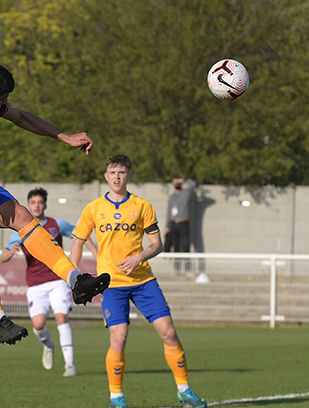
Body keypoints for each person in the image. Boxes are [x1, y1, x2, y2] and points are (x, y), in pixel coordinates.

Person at [0, 62, 110, 342]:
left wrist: (64, 136)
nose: (6, 105)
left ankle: (76, 281)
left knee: (21, 214)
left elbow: (22, 118)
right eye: (2, 100)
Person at [70, 155, 206, 408]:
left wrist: (139, 256)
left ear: (129, 175)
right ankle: (116, 398)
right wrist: (73, 278)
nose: (117, 176)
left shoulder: (142, 205)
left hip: (143, 280)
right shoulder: (94, 208)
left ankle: (184, 389)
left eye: (122, 172)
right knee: (119, 338)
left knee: (169, 333)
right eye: (112, 172)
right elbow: (77, 242)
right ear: (106, 176)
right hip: (110, 284)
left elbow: (158, 244)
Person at [0, 187, 98, 377]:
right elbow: (4, 256)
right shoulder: (21, 227)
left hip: (57, 280)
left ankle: (70, 365)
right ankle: (48, 345)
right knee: (38, 325)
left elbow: (80, 234)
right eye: (33, 203)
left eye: (40, 202)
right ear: (27, 205)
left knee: (62, 318)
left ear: (45, 204)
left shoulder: (56, 224)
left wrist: (96, 254)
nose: (37, 206)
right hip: (35, 284)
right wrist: (9, 252)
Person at [165, 177, 197, 274]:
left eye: (178, 182)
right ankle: (177, 269)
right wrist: (167, 226)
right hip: (174, 223)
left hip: (183, 223)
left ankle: (188, 269)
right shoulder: (172, 197)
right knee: (176, 247)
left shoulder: (186, 193)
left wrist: (182, 180)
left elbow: (193, 184)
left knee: (186, 245)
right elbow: (168, 212)